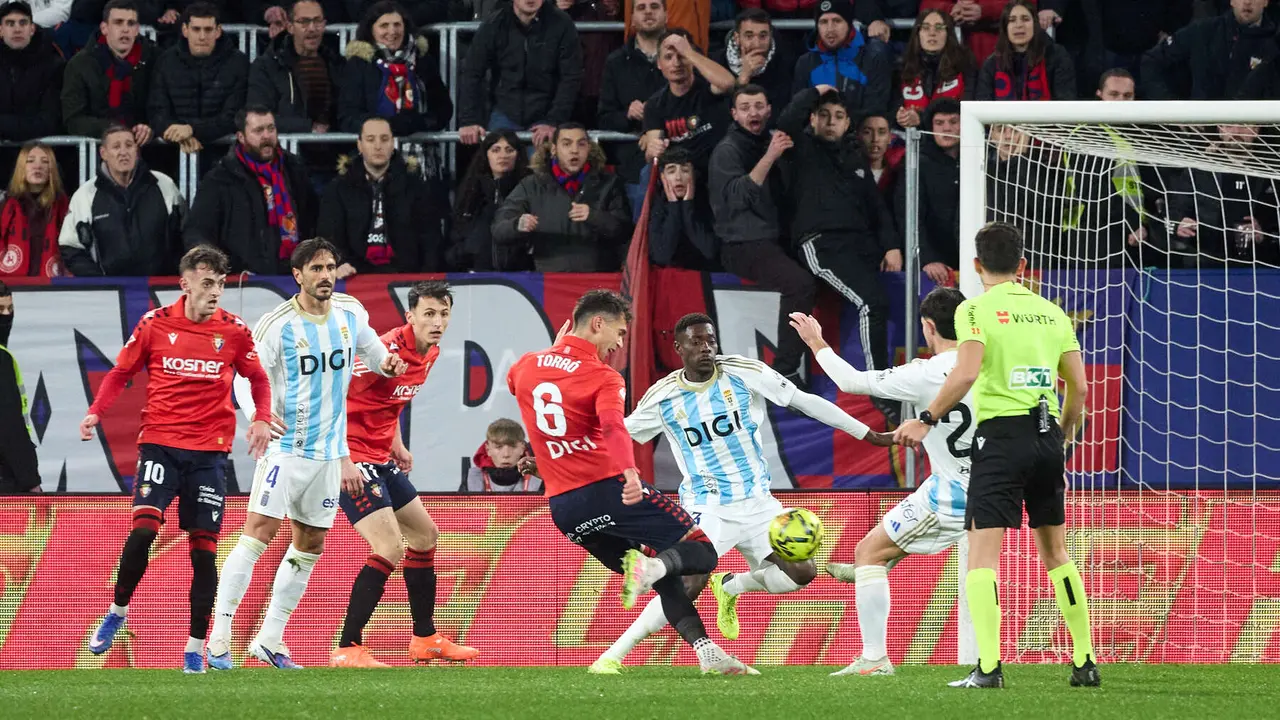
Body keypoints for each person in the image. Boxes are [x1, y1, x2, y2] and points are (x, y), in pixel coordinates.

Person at [586, 312, 894, 674]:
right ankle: (611, 657)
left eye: (710, 340)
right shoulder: (664, 396)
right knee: (687, 582)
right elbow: (615, 439)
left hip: (759, 503)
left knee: (802, 573)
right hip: (707, 505)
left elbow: (804, 401)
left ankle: (732, 585)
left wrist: (866, 433)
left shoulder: (744, 372)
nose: (705, 348)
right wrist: (549, 462)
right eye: (696, 342)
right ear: (678, 348)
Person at [506, 290, 756, 675]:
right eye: (619, 333)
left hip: (565, 510)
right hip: (609, 490)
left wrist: (555, 352)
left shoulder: (526, 365)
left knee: (663, 573)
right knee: (702, 553)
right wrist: (629, 472)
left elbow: (521, 384)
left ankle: (708, 654)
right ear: (597, 323)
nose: (619, 343)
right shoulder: (602, 376)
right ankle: (652, 571)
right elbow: (611, 427)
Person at [894, 222, 1098, 689]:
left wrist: (924, 418)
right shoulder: (1053, 313)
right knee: (1057, 553)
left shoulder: (974, 311)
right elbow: (1081, 389)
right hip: (1046, 435)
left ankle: (988, 668)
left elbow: (965, 374)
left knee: (982, 558)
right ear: (1023, 266)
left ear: (976, 265)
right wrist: (1062, 438)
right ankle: (1084, 662)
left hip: (1001, 440)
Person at [209, 238, 407, 670]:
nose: (326, 276)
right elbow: (247, 375)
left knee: (311, 542)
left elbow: (374, 352)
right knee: (258, 533)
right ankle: (219, 638)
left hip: (328, 453)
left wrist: (387, 364)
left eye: (331, 267)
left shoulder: (351, 313)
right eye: (316, 268)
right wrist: (259, 417)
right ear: (297, 275)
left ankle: (269, 640)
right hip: (284, 448)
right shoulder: (276, 324)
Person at [80, 245, 274, 674]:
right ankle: (117, 611)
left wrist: (261, 418)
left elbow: (258, 378)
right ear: (184, 283)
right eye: (208, 283)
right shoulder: (155, 324)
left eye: (221, 284)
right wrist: (97, 410)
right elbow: (120, 373)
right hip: (161, 445)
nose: (216, 292)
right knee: (143, 532)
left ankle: (194, 648)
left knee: (204, 553)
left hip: (209, 454)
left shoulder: (235, 331)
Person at [789, 288, 974, 677]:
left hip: (957, 491)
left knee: (868, 551)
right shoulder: (988, 364)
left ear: (927, 326)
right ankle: (875, 570)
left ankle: (874, 659)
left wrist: (817, 342)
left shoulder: (925, 372)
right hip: (994, 479)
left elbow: (851, 381)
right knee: (888, 545)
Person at [332, 280, 480, 667]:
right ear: (409, 316)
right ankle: (348, 648)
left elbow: (388, 403)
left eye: (443, 313)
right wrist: (343, 459)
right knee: (389, 547)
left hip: (380, 456)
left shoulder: (429, 354)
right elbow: (333, 398)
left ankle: (425, 639)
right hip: (349, 456)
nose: (437, 321)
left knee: (425, 535)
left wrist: (396, 442)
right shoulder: (381, 352)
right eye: (428, 313)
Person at [776, 86, 898, 387]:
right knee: (872, 303)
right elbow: (786, 121)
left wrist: (892, 246)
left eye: (839, 116)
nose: (831, 122)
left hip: (858, 246)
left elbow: (876, 207)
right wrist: (815, 91)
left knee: (878, 303)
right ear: (813, 119)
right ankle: (879, 389)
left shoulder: (855, 159)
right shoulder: (801, 148)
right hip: (821, 243)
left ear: (847, 124)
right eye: (824, 115)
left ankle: (881, 383)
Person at [709, 84, 814, 384]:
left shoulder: (770, 141)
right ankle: (785, 370)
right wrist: (770, 156)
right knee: (800, 285)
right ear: (734, 113)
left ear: (769, 110)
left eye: (758, 106)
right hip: (741, 244)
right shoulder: (728, 149)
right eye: (745, 107)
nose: (753, 113)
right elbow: (737, 199)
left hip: (772, 238)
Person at [184, 106, 317, 275]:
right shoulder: (221, 178)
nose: (267, 136)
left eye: (271, 128)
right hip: (243, 281)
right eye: (258, 131)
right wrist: (206, 260)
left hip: (293, 275)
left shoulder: (293, 168)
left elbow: (314, 219)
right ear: (241, 137)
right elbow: (198, 229)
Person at [492, 123, 632, 273]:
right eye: (566, 144)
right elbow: (499, 229)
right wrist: (517, 225)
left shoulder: (609, 183)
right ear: (554, 149)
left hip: (597, 280)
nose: (574, 150)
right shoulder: (531, 185)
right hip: (548, 283)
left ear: (589, 148)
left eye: (581, 144)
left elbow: (625, 231)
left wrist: (595, 217)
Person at [318, 116, 442, 277]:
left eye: (384, 139)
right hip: (353, 278)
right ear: (359, 145)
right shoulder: (338, 188)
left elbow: (430, 238)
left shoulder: (416, 186)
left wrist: (427, 277)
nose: (378, 146)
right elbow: (329, 236)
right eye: (370, 140)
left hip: (405, 278)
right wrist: (338, 264)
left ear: (393, 144)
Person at [59, 124, 186, 276]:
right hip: (108, 294)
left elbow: (185, 233)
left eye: (129, 145)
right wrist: (99, 283)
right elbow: (70, 246)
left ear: (137, 151)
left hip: (160, 290)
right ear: (103, 153)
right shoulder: (85, 194)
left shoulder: (164, 184)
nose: (123, 152)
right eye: (116, 147)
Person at [457, 0, 583, 149]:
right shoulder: (494, 23)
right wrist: (469, 120)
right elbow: (472, 72)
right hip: (505, 112)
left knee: (540, 168)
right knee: (498, 162)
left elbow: (571, 77)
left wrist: (553, 121)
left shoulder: (562, 24)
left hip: (546, 114)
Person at [148, 3, 250, 155]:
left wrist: (192, 130)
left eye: (208, 29)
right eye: (196, 29)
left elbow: (234, 116)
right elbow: (156, 112)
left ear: (218, 31)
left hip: (225, 154)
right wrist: (179, 135)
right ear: (185, 30)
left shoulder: (238, 63)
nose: (202, 37)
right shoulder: (165, 61)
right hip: (172, 154)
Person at [338, 1, 452, 135]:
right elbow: (348, 116)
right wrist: (386, 125)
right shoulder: (359, 64)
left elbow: (443, 109)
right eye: (384, 26)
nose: (392, 31)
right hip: (373, 150)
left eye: (397, 25)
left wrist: (416, 123)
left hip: (421, 149)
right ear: (371, 29)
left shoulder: (422, 60)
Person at [597, 0, 668, 215]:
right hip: (633, 167)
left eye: (654, 6)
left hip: (680, 162)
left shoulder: (683, 57)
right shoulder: (615, 62)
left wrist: (654, 122)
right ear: (632, 18)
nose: (648, 12)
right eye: (641, 7)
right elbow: (604, 118)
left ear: (667, 14)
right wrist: (627, 114)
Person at [639, 29, 736, 176]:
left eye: (681, 56)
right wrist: (651, 151)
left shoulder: (709, 86)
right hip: (681, 175)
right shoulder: (655, 105)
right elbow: (654, 153)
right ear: (659, 63)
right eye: (668, 57)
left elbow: (728, 83)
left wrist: (690, 53)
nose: (676, 63)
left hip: (718, 170)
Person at [61, 0, 157, 142]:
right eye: (118, 22)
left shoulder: (155, 59)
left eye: (131, 23)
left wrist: (150, 128)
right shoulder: (80, 64)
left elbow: (161, 108)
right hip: (98, 149)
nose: (125, 29)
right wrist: (112, 129)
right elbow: (73, 119)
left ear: (137, 29)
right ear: (104, 28)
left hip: (145, 148)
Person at [1142, 0, 1276, 102]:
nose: (1247, 2)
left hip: (1258, 133)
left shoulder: (1275, 43)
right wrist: (1171, 107)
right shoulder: (1202, 31)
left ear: (1266, 2)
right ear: (1232, 1)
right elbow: (1151, 61)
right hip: (1202, 131)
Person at [248, 0, 344, 135]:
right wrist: (308, 128)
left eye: (317, 21)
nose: (312, 28)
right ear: (290, 27)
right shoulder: (267, 66)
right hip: (286, 150)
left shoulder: (336, 63)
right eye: (304, 21)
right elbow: (258, 116)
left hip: (332, 150)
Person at [896, 97, 961, 284]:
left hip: (975, 262)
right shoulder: (917, 164)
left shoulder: (979, 160)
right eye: (939, 123)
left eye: (953, 122)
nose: (947, 128)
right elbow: (909, 215)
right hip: (934, 267)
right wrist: (927, 258)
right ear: (930, 127)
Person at [791, 0, 892, 116]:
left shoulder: (872, 59)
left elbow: (876, 110)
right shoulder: (805, 63)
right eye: (823, 22)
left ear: (849, 24)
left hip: (859, 132)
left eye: (837, 21)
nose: (830, 29)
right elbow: (797, 110)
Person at [448, 130, 531, 271]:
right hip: (476, 270)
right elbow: (458, 229)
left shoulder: (530, 187)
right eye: (496, 150)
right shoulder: (471, 188)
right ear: (486, 155)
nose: (503, 155)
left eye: (509, 150)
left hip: (519, 271)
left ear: (518, 155)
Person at [976, 0, 1075, 101]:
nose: (1019, 25)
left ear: (1035, 25)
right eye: (1012, 20)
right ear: (1005, 28)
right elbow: (982, 105)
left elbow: (1065, 102)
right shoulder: (991, 64)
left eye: (1025, 19)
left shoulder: (1056, 56)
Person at [895, 8, 974, 129]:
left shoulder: (965, 65)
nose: (932, 33)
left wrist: (921, 118)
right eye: (926, 28)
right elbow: (892, 110)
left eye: (939, 28)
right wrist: (901, 118)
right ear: (918, 33)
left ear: (949, 33)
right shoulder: (901, 67)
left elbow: (968, 109)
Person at [0, 143, 68, 278]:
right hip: (9, 288)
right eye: (30, 161)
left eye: (45, 161)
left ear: (52, 168)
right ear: (21, 167)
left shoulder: (65, 206)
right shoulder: (5, 204)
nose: (37, 166)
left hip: (52, 288)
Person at [0, 0, 66, 141]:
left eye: (23, 23)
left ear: (32, 29)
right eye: (10, 23)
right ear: (0, 30)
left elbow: (48, 123)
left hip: (39, 154)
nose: (17, 29)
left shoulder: (54, 66)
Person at [0, 281, 40, 493]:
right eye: (0, 310)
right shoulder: (2, 358)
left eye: (10, 309)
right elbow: (9, 426)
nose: (7, 316)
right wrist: (30, 480)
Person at [712, 8, 794, 112]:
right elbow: (717, 114)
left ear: (770, 36)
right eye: (749, 36)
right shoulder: (717, 62)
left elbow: (783, 110)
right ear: (737, 38)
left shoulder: (785, 62)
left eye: (763, 36)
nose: (757, 44)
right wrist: (743, 79)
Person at [649, 146, 717, 270]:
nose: (678, 177)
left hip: (704, 276)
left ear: (694, 175)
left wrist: (687, 207)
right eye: (671, 171)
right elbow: (662, 256)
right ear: (662, 177)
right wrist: (674, 207)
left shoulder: (708, 201)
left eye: (685, 170)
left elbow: (709, 251)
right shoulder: (655, 204)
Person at [465, 418, 540, 493]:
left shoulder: (540, 478)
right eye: (498, 447)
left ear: (522, 448)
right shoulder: (472, 479)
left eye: (513, 446)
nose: (506, 454)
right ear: (488, 450)